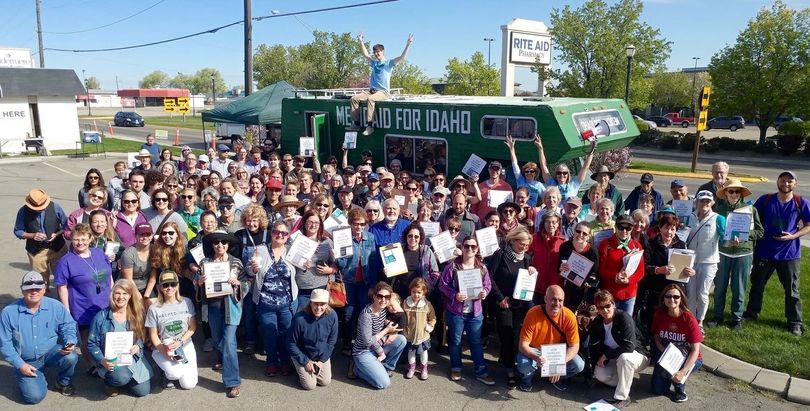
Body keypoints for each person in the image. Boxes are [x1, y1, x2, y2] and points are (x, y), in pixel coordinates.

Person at [745, 171, 810, 336]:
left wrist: (793, 236)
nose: (786, 184)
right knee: (757, 285)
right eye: (783, 180)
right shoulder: (765, 200)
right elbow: (751, 218)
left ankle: (794, 321)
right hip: (764, 251)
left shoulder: (801, 202)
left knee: (792, 290)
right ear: (778, 182)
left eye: (790, 181)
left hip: (789, 254)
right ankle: (751, 314)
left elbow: (808, 225)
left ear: (795, 184)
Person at [0, 271, 78, 403]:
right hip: (26, 361)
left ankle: (62, 382)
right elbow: (4, 343)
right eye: (29, 289)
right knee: (33, 397)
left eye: (37, 288)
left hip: (51, 353)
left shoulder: (56, 306)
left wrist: (70, 341)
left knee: (71, 356)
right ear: (22, 290)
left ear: (44, 289)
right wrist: (20, 365)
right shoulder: (8, 312)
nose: (34, 291)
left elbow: (68, 326)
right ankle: (35, 377)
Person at [195, 229, 246, 398]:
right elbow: (197, 283)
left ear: (228, 245)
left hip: (230, 308)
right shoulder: (205, 263)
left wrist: (236, 282)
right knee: (218, 340)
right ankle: (224, 360)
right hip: (212, 308)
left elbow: (242, 281)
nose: (220, 245)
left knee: (229, 342)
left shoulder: (236, 262)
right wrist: (199, 282)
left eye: (223, 242)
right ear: (212, 245)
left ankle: (233, 382)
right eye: (216, 242)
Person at [54, 224, 113, 370]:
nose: (80, 243)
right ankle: (91, 365)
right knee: (87, 339)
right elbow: (61, 286)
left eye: (83, 239)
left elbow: (109, 275)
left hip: (105, 303)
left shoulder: (99, 253)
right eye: (76, 239)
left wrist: (114, 294)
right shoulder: (65, 261)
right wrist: (66, 310)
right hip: (82, 307)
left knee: (107, 335)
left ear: (90, 238)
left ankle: (108, 361)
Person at [439, 236, 495, 385]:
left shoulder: (482, 268)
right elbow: (442, 285)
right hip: (456, 311)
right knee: (456, 341)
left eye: (473, 247)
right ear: (462, 247)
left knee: (475, 342)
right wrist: (454, 295)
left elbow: (488, 285)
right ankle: (456, 367)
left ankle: (481, 371)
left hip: (475, 313)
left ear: (477, 249)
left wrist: (484, 292)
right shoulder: (452, 267)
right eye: (466, 246)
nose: (470, 249)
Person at [486, 227, 537, 388]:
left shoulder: (527, 258)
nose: (524, 247)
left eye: (527, 245)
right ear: (513, 241)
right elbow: (489, 278)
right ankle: (510, 371)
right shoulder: (500, 255)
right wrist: (500, 298)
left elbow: (527, 280)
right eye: (522, 244)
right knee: (507, 336)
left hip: (519, 304)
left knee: (515, 336)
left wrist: (532, 271)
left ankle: (506, 361)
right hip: (503, 303)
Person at [710, 179, 763, 331]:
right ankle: (717, 316)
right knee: (719, 286)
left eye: (737, 191)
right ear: (725, 193)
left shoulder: (750, 209)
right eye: (731, 191)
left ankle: (736, 318)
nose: (734, 194)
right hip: (723, 252)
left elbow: (760, 231)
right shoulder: (717, 211)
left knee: (739, 287)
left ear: (741, 194)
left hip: (743, 253)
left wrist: (746, 235)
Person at [86, 278, 152, 397]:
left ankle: (124, 377)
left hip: (131, 358)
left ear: (130, 296)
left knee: (142, 391)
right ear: (112, 294)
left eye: (125, 293)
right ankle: (111, 382)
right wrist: (102, 360)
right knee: (121, 377)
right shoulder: (100, 317)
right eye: (117, 293)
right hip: (111, 360)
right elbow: (91, 344)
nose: (121, 297)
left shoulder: (137, 314)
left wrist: (138, 346)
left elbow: (142, 336)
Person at [250, 220, 298, 377]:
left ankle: (284, 362)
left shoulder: (291, 251)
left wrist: (307, 263)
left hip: (286, 303)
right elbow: (249, 272)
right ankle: (271, 362)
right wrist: (252, 269)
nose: (280, 235)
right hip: (266, 302)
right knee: (270, 333)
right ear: (271, 233)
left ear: (288, 235)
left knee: (285, 334)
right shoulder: (260, 250)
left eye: (284, 233)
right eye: (277, 232)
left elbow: (302, 269)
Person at [516, 285, 585, 392]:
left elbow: (574, 346)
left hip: (556, 352)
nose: (557, 303)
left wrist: (560, 364)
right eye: (553, 299)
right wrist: (536, 357)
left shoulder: (569, 316)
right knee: (524, 365)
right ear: (545, 299)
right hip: (535, 349)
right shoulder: (533, 313)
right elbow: (522, 345)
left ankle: (555, 377)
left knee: (579, 365)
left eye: (560, 300)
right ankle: (526, 380)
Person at [589, 289, 649, 408]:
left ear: (613, 304)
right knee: (600, 374)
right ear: (597, 309)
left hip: (637, 355)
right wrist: (591, 370)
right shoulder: (597, 322)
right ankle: (625, 380)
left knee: (625, 358)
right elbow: (594, 347)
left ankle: (622, 397)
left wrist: (606, 355)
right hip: (616, 357)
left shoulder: (623, 317)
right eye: (601, 307)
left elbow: (629, 346)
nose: (605, 310)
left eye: (607, 305)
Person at [350, 32, 413, 136]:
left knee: (371, 99)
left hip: (383, 92)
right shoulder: (374, 63)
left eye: (378, 51)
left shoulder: (389, 63)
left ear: (383, 52)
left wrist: (408, 44)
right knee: (354, 98)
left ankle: (370, 126)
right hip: (371, 91)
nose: (376, 53)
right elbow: (365, 54)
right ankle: (356, 124)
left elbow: (401, 57)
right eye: (374, 52)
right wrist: (361, 41)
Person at [334, 209, 377, 354]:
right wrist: (337, 257)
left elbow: (373, 262)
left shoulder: (370, 237)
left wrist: (372, 285)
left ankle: (360, 343)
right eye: (355, 224)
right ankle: (347, 342)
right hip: (348, 281)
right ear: (350, 223)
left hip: (364, 282)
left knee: (363, 313)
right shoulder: (343, 237)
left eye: (362, 224)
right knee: (348, 313)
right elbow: (341, 265)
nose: (359, 227)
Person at [651, 284, 703, 403]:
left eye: (676, 296)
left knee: (677, 369)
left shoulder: (688, 318)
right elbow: (656, 337)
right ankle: (668, 376)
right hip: (667, 353)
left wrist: (683, 371)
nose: (672, 299)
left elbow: (695, 350)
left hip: (688, 357)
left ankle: (680, 388)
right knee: (657, 390)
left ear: (681, 299)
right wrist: (664, 353)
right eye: (668, 296)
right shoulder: (659, 314)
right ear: (663, 299)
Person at [147, 271, 198, 390]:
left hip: (185, 344)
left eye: (172, 284)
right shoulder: (153, 308)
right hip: (164, 347)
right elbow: (153, 335)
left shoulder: (187, 302)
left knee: (189, 385)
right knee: (175, 374)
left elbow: (192, 328)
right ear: (159, 287)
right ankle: (166, 373)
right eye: (165, 285)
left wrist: (180, 342)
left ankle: (177, 367)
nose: (169, 288)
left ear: (177, 285)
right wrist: (165, 353)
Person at [351, 282, 408, 389]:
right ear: (374, 296)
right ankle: (357, 370)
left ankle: (385, 367)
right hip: (363, 351)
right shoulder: (366, 315)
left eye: (387, 297)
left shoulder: (384, 309)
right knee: (383, 383)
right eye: (380, 296)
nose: (383, 300)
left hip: (377, 346)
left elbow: (399, 314)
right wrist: (387, 330)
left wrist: (394, 332)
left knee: (401, 340)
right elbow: (368, 341)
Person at [685, 191, 726, 331]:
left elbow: (724, 238)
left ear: (712, 203)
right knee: (690, 293)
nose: (704, 204)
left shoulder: (718, 218)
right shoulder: (689, 217)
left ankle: (700, 322)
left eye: (708, 201)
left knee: (702, 292)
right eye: (702, 201)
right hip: (690, 261)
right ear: (696, 202)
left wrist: (732, 241)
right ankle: (690, 320)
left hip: (709, 261)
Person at [14, 188, 68, 288]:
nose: (40, 209)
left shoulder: (55, 207)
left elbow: (66, 225)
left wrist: (57, 234)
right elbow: (18, 231)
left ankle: (63, 301)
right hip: (36, 251)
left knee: (62, 279)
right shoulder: (23, 211)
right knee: (40, 282)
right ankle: (44, 299)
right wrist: (32, 235)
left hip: (58, 248)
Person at [286, 289, 339, 390]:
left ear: (327, 304)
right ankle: (295, 363)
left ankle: (310, 369)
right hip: (303, 353)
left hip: (320, 355)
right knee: (310, 385)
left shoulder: (332, 316)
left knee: (325, 381)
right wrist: (305, 361)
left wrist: (322, 361)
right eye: (315, 304)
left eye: (322, 304)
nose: (318, 308)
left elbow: (332, 341)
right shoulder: (299, 318)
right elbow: (290, 343)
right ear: (310, 303)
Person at [597, 215, 645, 315]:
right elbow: (601, 269)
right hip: (610, 294)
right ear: (615, 227)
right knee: (610, 323)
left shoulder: (637, 246)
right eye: (621, 227)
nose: (624, 231)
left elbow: (640, 272)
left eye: (628, 228)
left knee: (626, 324)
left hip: (629, 294)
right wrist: (615, 276)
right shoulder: (606, 245)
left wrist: (629, 280)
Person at [293, 210, 335, 310]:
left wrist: (330, 270)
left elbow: (336, 265)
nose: (313, 225)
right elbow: (289, 263)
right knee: (303, 319)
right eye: (310, 222)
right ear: (304, 222)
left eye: (316, 222)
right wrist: (299, 263)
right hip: (302, 289)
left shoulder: (327, 242)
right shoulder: (296, 240)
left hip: (322, 288)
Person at [387, 223, 440, 299]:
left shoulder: (426, 251)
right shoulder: (398, 250)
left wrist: (427, 288)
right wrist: (387, 271)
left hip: (419, 293)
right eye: (410, 236)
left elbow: (435, 273)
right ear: (406, 237)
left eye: (416, 236)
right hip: (401, 290)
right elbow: (392, 271)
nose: (413, 239)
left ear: (420, 238)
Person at [536, 135, 595, 200]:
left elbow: (585, 168)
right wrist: (540, 149)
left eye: (564, 173)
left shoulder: (574, 184)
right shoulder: (552, 183)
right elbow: (543, 166)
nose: (562, 175)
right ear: (556, 174)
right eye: (559, 173)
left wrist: (591, 152)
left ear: (568, 174)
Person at [559, 222, 600, 309]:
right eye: (578, 231)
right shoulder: (565, 247)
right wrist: (561, 267)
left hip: (584, 292)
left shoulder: (593, 251)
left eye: (584, 233)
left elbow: (595, 273)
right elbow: (558, 266)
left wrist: (589, 281)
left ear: (588, 236)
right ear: (574, 231)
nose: (580, 235)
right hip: (567, 289)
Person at [401, 278, 436, 380]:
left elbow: (432, 317)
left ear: (424, 292)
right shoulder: (406, 303)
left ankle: (424, 368)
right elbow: (402, 316)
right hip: (409, 334)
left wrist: (429, 326)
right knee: (411, 352)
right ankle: (412, 367)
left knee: (423, 352)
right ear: (410, 291)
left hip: (422, 334)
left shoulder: (427, 304)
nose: (416, 295)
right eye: (414, 292)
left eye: (419, 292)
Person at [144, 222, 187, 301]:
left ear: (177, 234)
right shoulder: (157, 250)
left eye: (171, 233)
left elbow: (186, 272)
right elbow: (153, 276)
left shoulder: (184, 250)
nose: (167, 236)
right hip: (163, 289)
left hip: (182, 288)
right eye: (164, 233)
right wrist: (146, 296)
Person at [531, 211, 565, 302]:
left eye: (554, 222)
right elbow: (527, 256)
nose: (551, 225)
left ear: (558, 224)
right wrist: (529, 266)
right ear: (543, 223)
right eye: (548, 222)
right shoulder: (535, 238)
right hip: (537, 285)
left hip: (555, 286)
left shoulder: (564, 242)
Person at [505, 135, 545, 206]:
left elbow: (547, 197)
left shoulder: (539, 185)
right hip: (519, 208)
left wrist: (541, 207)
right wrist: (512, 149)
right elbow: (515, 164)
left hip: (531, 211)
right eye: (527, 171)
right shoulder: (520, 179)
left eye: (532, 171)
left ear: (535, 173)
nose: (529, 173)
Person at [120, 223, 153, 296]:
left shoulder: (154, 250)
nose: (145, 238)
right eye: (141, 235)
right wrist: (138, 297)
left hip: (146, 287)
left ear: (152, 235)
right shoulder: (128, 254)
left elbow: (153, 277)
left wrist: (146, 296)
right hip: (129, 288)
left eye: (148, 234)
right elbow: (128, 279)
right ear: (136, 236)